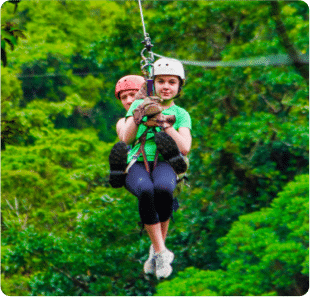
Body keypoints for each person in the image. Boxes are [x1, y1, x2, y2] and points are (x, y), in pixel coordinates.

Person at [122, 58, 192, 279]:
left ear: (179, 87)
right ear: (153, 83)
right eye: (160, 81)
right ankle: (161, 251)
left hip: (165, 162)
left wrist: (163, 122)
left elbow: (185, 147)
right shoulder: (138, 104)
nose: (166, 86)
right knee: (145, 191)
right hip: (138, 161)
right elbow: (126, 138)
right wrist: (140, 111)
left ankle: (157, 249)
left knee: (162, 189)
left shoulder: (181, 114)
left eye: (172, 82)